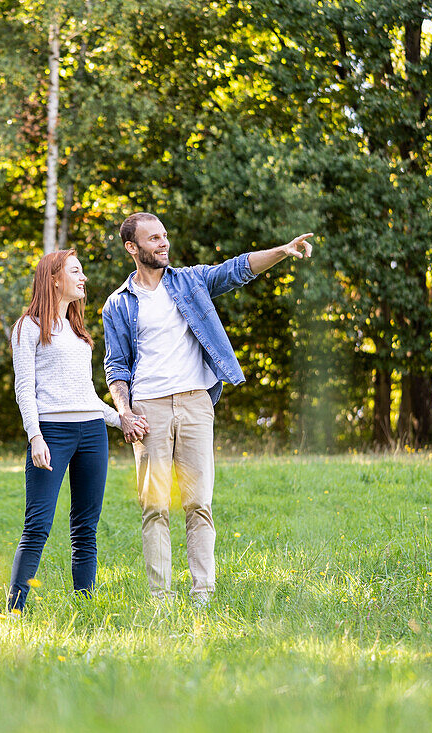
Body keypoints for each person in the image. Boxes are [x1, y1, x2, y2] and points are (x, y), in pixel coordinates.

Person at [102, 212, 313, 606]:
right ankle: (160, 598)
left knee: (199, 502)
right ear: (132, 247)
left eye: (165, 236)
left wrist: (282, 252)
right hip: (149, 408)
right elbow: (116, 365)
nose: (163, 243)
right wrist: (125, 411)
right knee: (155, 506)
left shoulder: (189, 281)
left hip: (196, 402)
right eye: (153, 239)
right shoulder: (118, 304)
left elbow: (237, 269)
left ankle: (203, 593)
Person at [7, 249, 146, 613]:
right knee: (37, 525)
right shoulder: (28, 327)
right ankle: (14, 610)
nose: (83, 278)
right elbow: (25, 388)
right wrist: (35, 436)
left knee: (86, 527)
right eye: (76, 271)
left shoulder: (76, 330)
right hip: (53, 433)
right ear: (54, 278)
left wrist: (121, 419)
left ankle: (85, 606)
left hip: (91, 434)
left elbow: (86, 396)